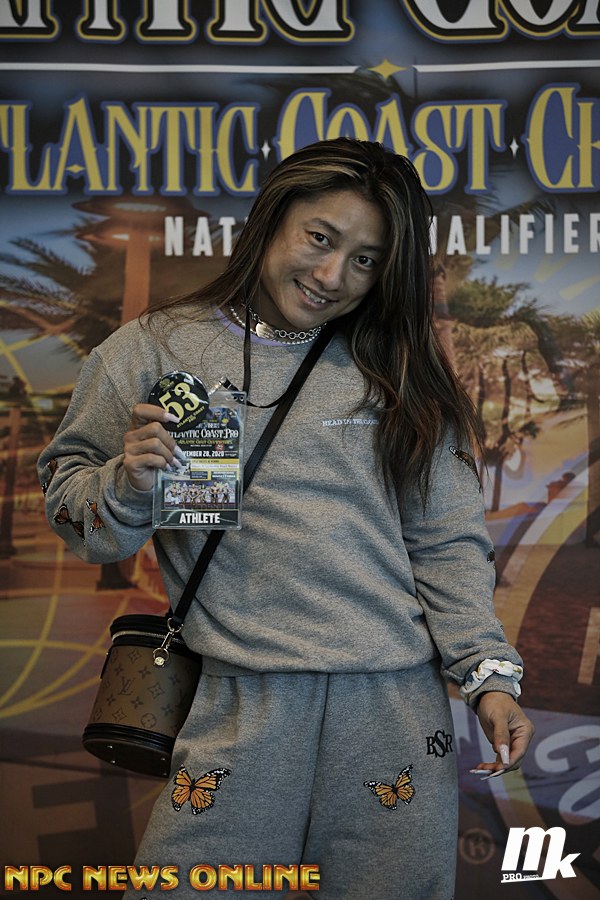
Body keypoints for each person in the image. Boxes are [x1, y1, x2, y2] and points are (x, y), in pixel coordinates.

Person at [38, 138, 534, 899]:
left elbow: (446, 543)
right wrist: (128, 481)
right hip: (236, 699)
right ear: (273, 219)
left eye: (366, 260)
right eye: (320, 238)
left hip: (391, 709)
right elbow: (80, 517)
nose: (332, 276)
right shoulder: (156, 348)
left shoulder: (399, 368)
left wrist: (489, 676)